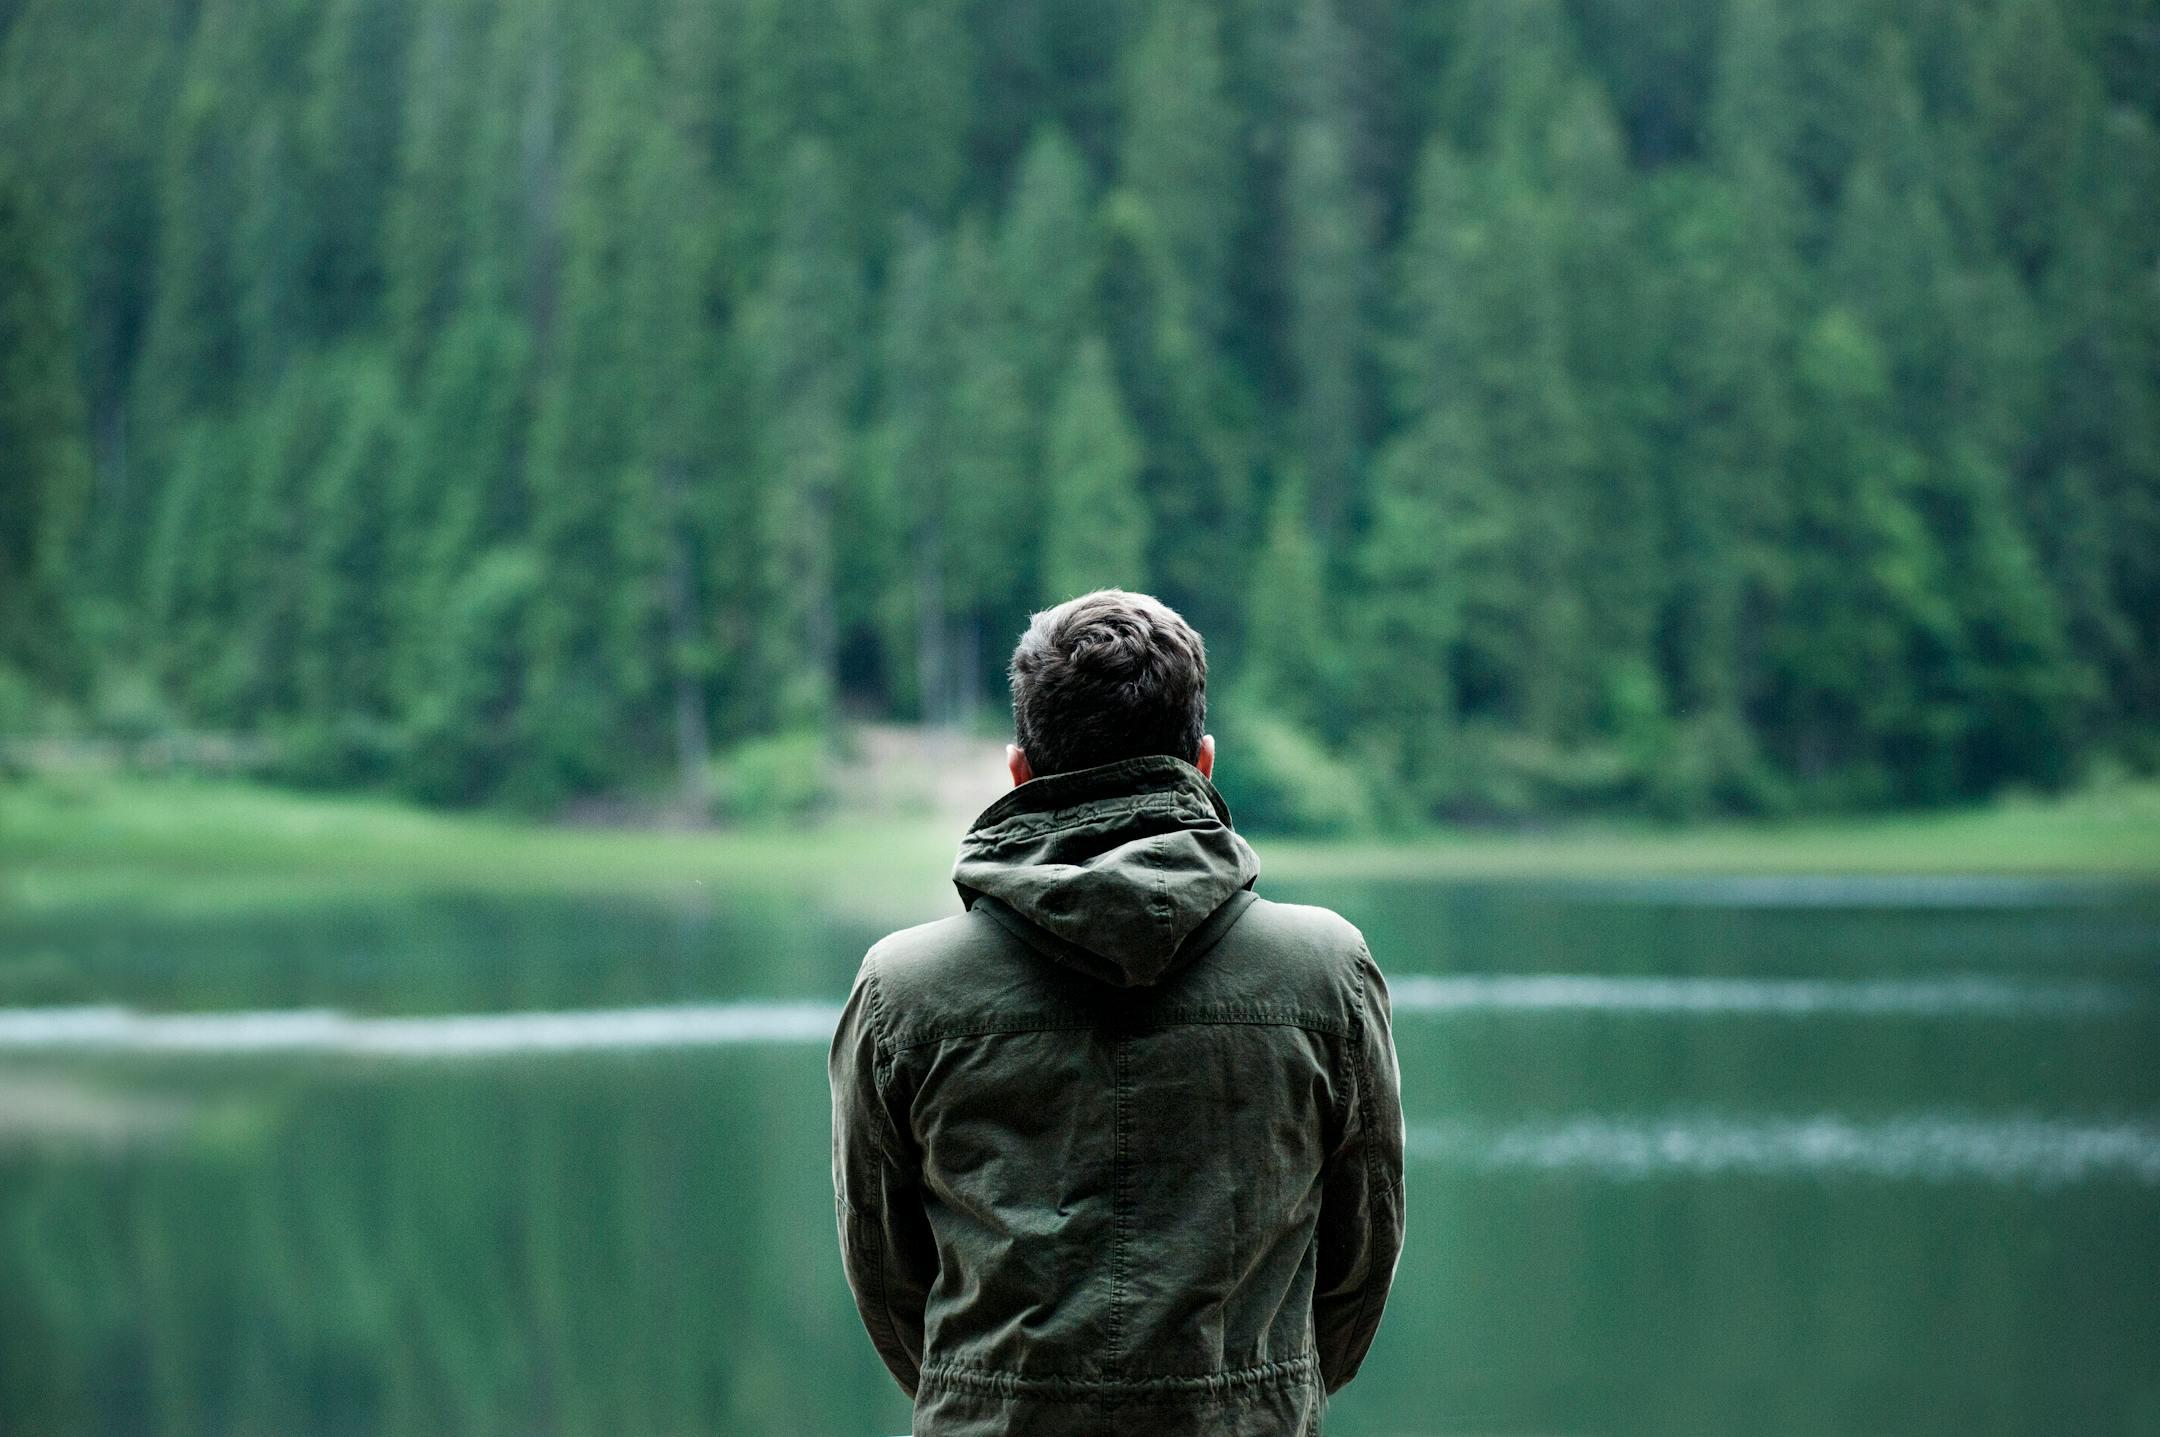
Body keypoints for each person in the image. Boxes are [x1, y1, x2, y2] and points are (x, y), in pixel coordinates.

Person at [830, 588, 1405, 1436]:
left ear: (1019, 771)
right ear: (1202, 763)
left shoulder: (902, 990)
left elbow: (886, 1275)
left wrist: (997, 1397)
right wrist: (1255, 1395)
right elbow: (1361, 1259)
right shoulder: (1326, 973)